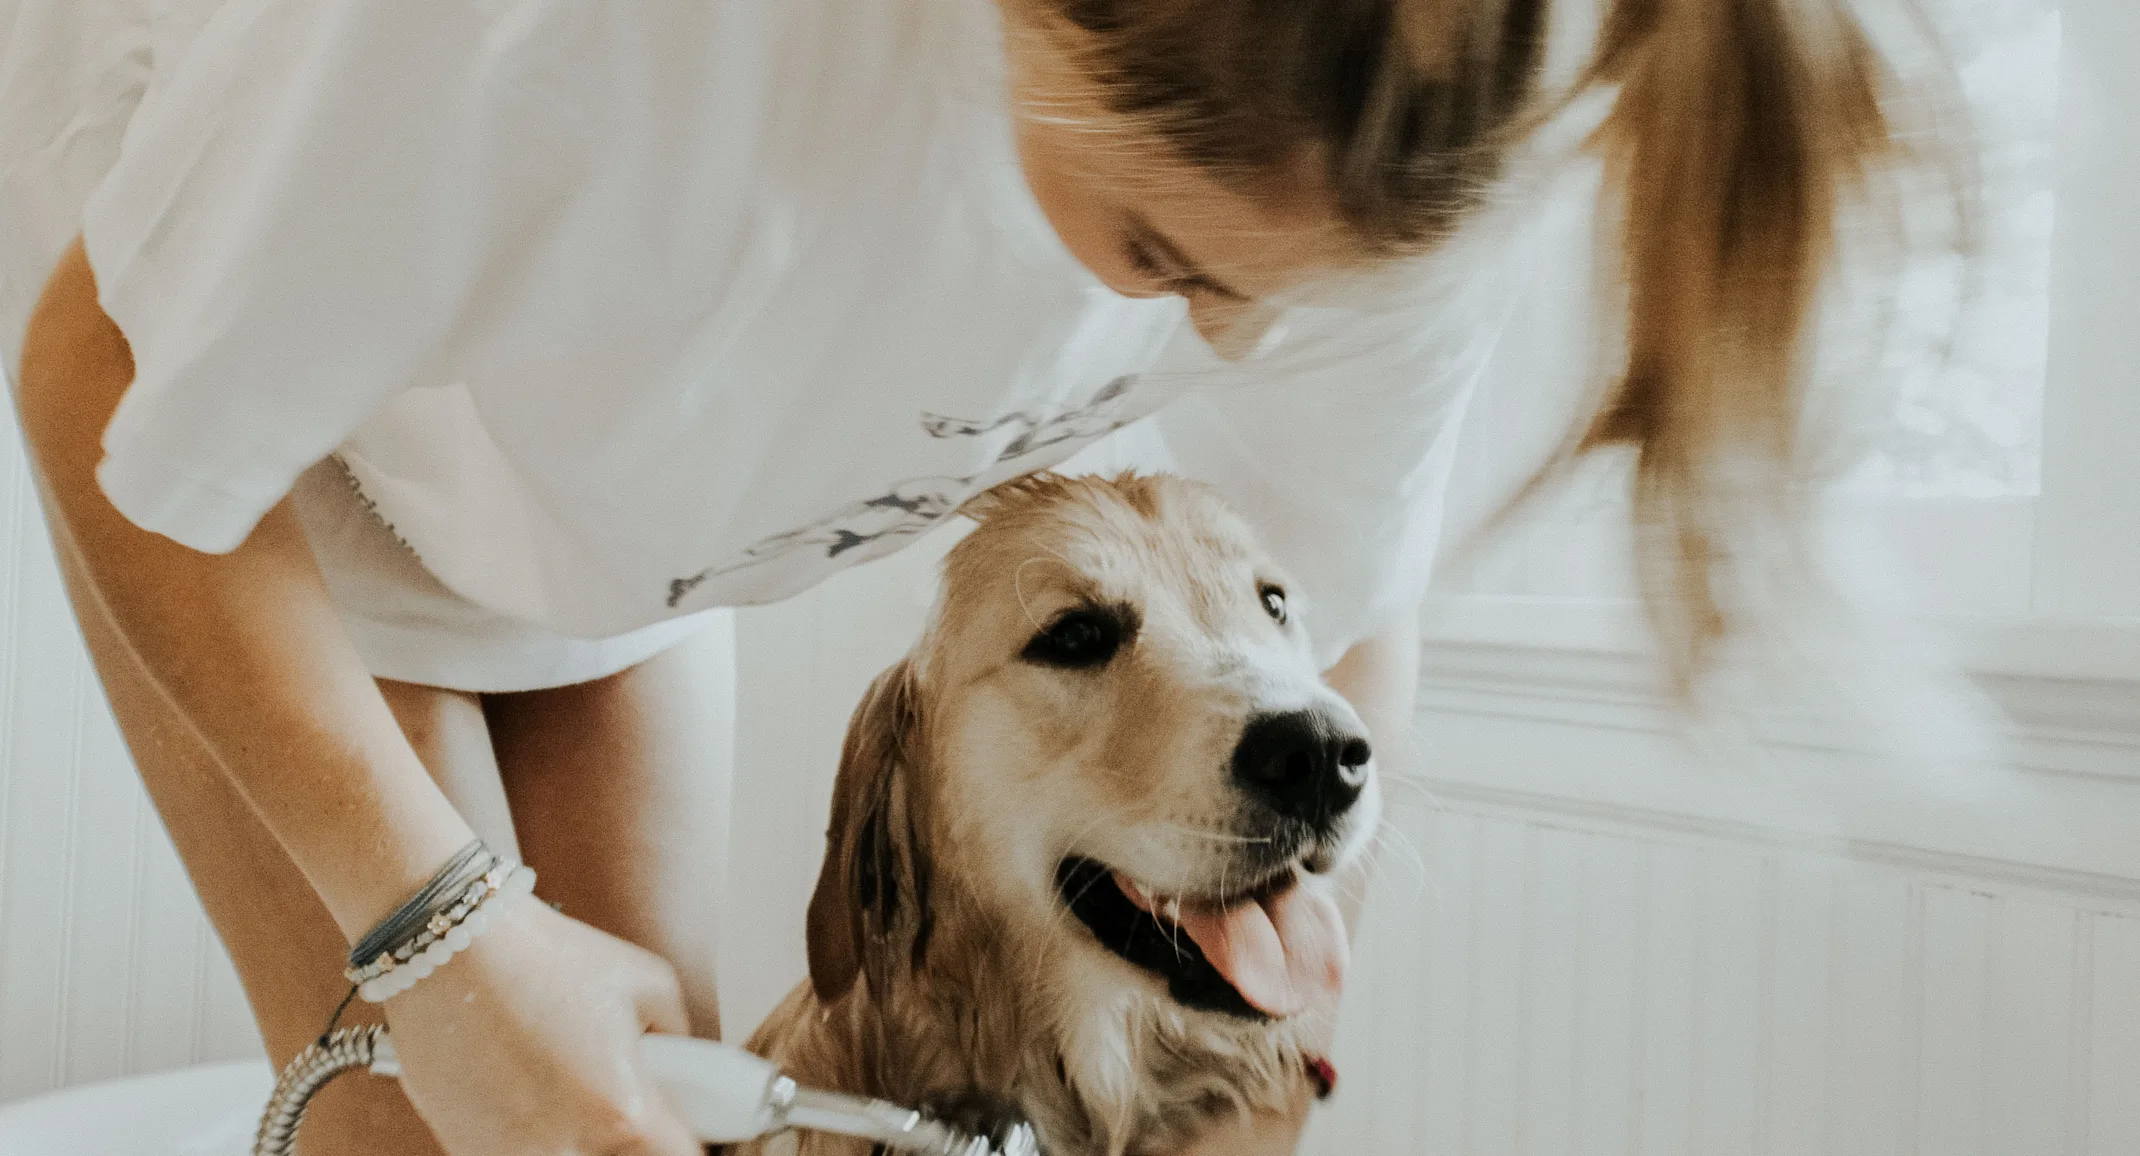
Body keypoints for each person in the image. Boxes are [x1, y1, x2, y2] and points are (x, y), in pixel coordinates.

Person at [2, 0, 1890, 1152]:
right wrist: (439, 943)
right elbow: (106, 384)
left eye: (1288, 300)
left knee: (644, 1100)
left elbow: (1342, 605)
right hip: (263, 413)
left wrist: (1273, 1030)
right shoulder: (598, 42)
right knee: (440, 1125)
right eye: (1167, 260)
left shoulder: (1394, 138)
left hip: (649, 491)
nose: (1234, 359)